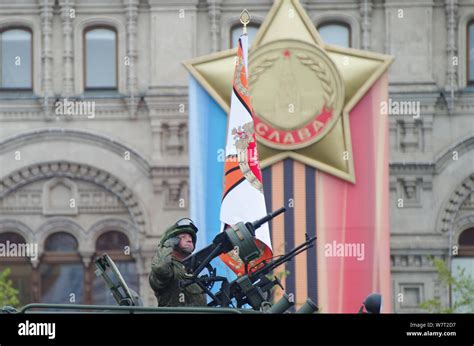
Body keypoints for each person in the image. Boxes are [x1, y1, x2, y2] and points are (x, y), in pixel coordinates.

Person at [149, 218, 206, 307]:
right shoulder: (170, 269)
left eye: (190, 237)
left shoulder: (191, 272)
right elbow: (160, 268)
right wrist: (168, 245)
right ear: (173, 241)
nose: (190, 240)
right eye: (183, 237)